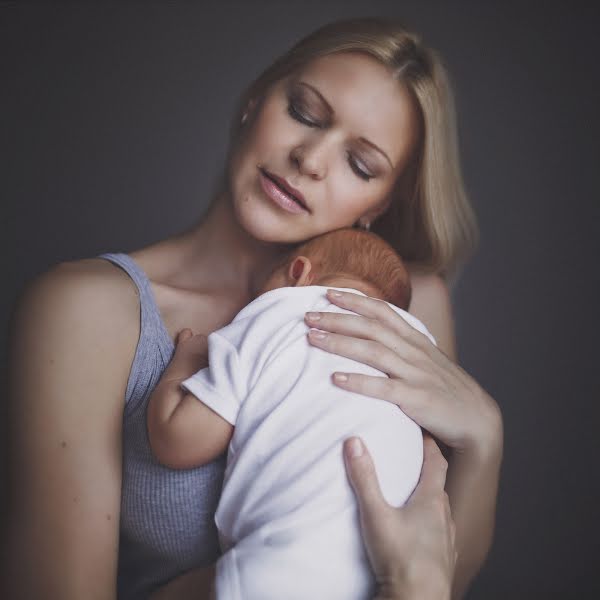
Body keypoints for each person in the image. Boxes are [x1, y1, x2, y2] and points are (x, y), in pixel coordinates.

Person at [4, 16, 503, 600]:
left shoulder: (405, 309)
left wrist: (485, 440)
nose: (311, 159)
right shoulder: (89, 311)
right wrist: (281, 572)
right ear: (254, 100)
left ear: (381, 202)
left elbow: (433, 567)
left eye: (360, 164)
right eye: (305, 114)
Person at [147, 227, 433, 599]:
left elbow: (178, 439)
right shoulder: (416, 357)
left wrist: (186, 361)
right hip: (390, 570)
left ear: (298, 272)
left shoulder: (279, 312)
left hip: (279, 570)